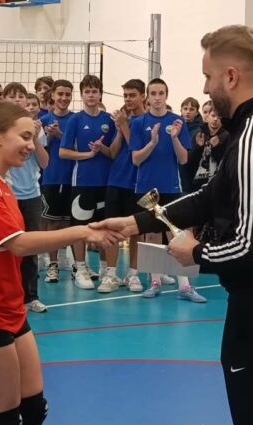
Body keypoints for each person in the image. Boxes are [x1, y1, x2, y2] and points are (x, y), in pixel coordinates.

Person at [92, 25, 253, 425]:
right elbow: (212, 196)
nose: (205, 87)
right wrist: (135, 222)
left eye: (208, 76)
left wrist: (196, 252)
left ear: (231, 76)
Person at [0, 101, 120, 425]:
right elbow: (17, 244)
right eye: (24, 136)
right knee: (4, 424)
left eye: (33, 137)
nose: (31, 145)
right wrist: (82, 231)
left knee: (33, 411)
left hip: (11, 308)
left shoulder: (3, 183)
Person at [129, 78, 206, 302]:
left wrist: (173, 138)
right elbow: (136, 159)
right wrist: (152, 142)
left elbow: (183, 159)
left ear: (166, 95)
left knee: (177, 233)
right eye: (153, 93)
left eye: (161, 93)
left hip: (171, 185)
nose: (157, 97)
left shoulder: (177, 122)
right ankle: (154, 282)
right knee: (152, 234)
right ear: (148, 96)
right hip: (146, 187)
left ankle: (185, 286)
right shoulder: (139, 122)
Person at [59, 74, 118, 290]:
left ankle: (104, 269)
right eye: (87, 92)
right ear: (82, 95)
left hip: (106, 182)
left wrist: (102, 149)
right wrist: (88, 155)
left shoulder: (109, 120)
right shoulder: (75, 120)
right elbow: (63, 152)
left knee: (105, 227)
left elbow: (113, 153)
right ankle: (81, 268)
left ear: (100, 94)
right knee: (80, 228)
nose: (91, 95)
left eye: (94, 91)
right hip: (82, 181)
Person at [3, 82, 49, 313]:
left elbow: (44, 162)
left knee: (30, 248)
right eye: (12, 96)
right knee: (6, 248)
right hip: (6, 194)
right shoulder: (1, 127)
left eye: (21, 96)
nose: (17, 100)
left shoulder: (35, 128)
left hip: (31, 195)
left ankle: (30, 296)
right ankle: (7, 296)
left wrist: (36, 138)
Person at [100, 79, 146, 293]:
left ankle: (133, 274)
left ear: (143, 96)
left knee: (137, 231)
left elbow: (137, 149)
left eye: (132, 95)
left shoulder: (147, 121)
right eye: (125, 95)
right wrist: (119, 128)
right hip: (116, 180)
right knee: (112, 229)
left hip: (138, 182)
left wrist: (125, 126)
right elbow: (113, 152)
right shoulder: (123, 120)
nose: (128, 99)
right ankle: (110, 275)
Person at [39, 80, 75, 284]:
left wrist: (60, 135)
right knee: (52, 223)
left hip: (73, 178)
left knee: (71, 222)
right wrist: (48, 136)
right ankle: (52, 265)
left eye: (67, 94)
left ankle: (76, 263)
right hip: (51, 177)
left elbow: (78, 146)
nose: (63, 98)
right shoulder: (43, 120)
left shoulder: (75, 119)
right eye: (60, 94)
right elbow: (38, 149)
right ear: (52, 95)